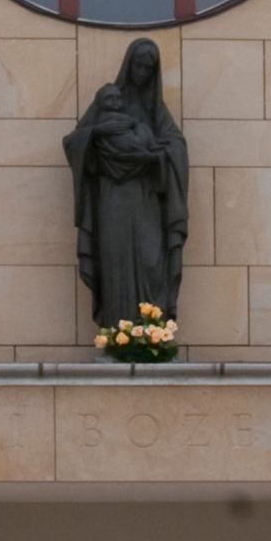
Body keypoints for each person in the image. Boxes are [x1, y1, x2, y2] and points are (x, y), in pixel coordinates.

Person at [63, 37, 189, 331]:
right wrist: (97, 132)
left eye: (148, 68)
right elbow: (73, 142)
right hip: (113, 197)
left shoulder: (156, 110)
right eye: (138, 66)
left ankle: (150, 331)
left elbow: (176, 146)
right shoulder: (107, 101)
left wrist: (154, 154)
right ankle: (117, 331)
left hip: (146, 200)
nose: (142, 73)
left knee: (151, 260)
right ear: (129, 65)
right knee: (114, 261)